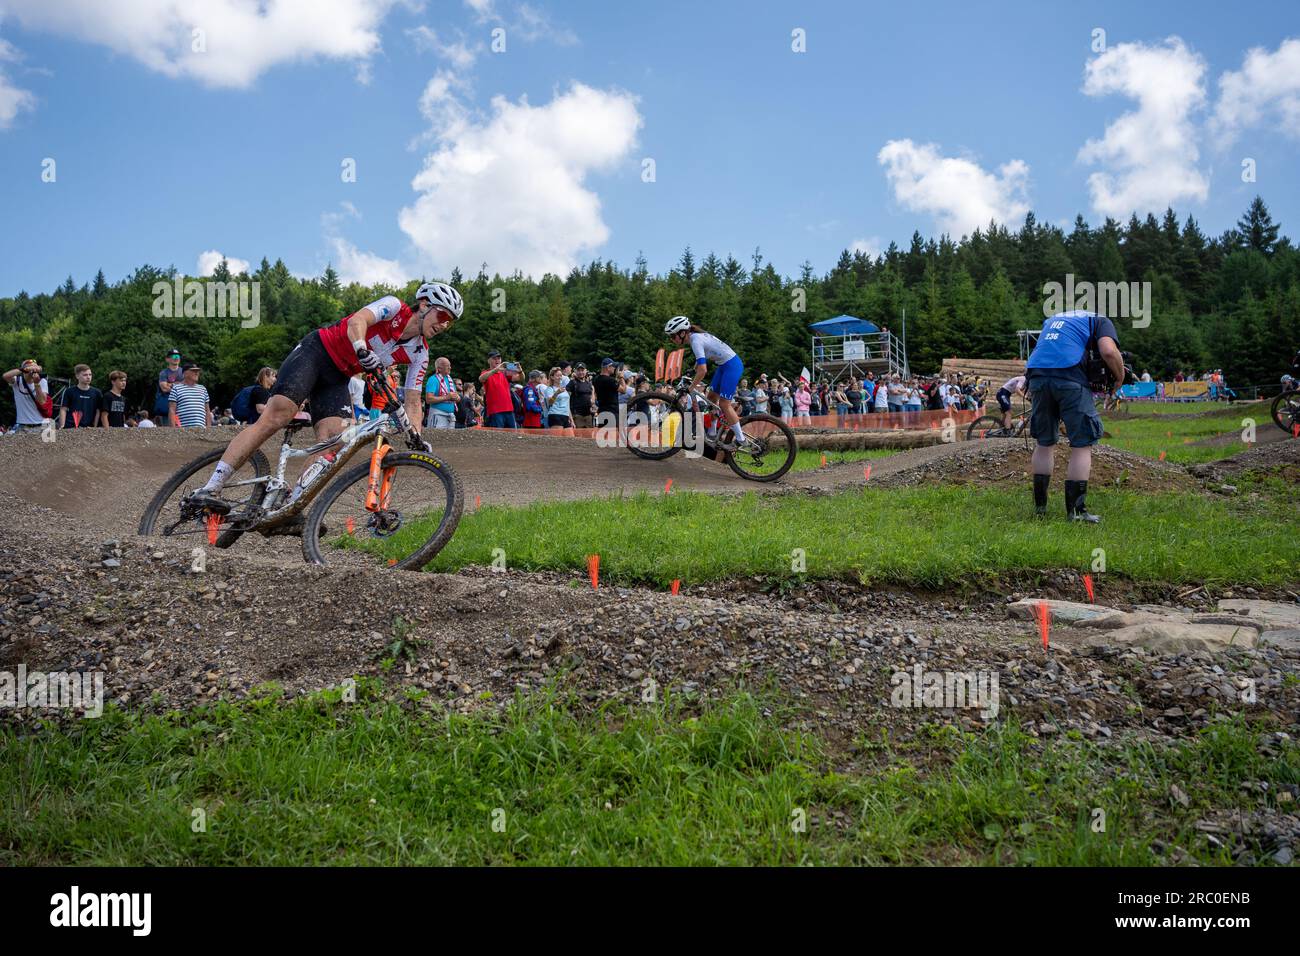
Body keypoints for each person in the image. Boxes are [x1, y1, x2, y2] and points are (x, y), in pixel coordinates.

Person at [186, 281, 462, 513]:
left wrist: (415, 435)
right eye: (443, 317)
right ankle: (212, 485)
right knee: (278, 415)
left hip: (337, 377)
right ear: (424, 305)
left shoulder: (419, 352)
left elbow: (414, 401)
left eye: (449, 323)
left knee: (334, 441)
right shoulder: (393, 307)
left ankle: (289, 506)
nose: (443, 326)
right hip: (316, 352)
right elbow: (358, 321)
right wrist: (360, 348)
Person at [1025, 310, 1124, 522]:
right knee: (1081, 444)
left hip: (1037, 376)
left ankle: (1040, 509)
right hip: (1070, 377)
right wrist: (1120, 375)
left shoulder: (1052, 320)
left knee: (1044, 443)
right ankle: (1077, 512)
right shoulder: (1099, 320)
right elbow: (1108, 351)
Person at [663, 315, 752, 450]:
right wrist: (692, 371)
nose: (671, 339)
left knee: (724, 404)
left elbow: (703, 370)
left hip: (732, 365)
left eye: (672, 336)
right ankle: (712, 434)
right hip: (724, 365)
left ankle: (741, 440)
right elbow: (701, 361)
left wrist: (691, 388)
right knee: (711, 397)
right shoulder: (695, 337)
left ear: (682, 333)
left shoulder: (695, 340)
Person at [3, 359, 50, 432]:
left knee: (49, 443)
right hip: (23, 425)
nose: (32, 371)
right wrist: (23, 369)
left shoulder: (42, 381)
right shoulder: (17, 381)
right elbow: (5, 376)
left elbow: (42, 401)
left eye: (34, 368)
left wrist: (37, 384)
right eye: (30, 368)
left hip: (43, 424)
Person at [479, 350, 521, 429]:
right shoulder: (486, 372)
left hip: (509, 410)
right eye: (494, 358)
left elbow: (520, 378)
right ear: (488, 360)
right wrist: (496, 369)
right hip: (495, 411)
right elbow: (481, 379)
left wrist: (520, 370)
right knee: (498, 436)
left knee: (513, 436)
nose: (497, 360)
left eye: (499, 358)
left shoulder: (505, 372)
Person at [58, 364, 102, 429]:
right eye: (85, 375)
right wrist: (62, 426)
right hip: (71, 427)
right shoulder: (69, 391)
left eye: (90, 374)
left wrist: (95, 427)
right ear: (77, 376)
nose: (88, 377)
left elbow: (98, 411)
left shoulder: (97, 393)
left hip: (89, 428)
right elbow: (63, 409)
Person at [169, 363, 212, 428]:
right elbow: (172, 410)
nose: (197, 373)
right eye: (193, 371)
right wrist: (174, 429)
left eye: (197, 371)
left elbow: (207, 411)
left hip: (202, 431)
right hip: (183, 431)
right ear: (185, 374)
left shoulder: (202, 389)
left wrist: (209, 428)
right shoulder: (176, 388)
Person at [424, 356, 459, 429]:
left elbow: (456, 396)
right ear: (439, 368)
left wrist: (457, 397)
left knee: (449, 439)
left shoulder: (450, 379)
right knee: (436, 439)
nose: (450, 367)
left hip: (451, 416)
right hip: (438, 414)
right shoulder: (433, 379)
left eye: (450, 365)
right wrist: (447, 397)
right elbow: (428, 399)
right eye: (447, 366)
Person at [154, 348, 184, 426]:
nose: (176, 358)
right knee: (168, 430)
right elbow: (164, 388)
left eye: (178, 356)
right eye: (174, 356)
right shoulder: (163, 373)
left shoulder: (184, 371)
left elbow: (187, 387)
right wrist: (178, 385)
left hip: (182, 407)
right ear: (167, 359)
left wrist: (170, 384)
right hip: (167, 407)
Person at [543, 367, 573, 433]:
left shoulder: (564, 389)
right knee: (557, 441)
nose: (560, 377)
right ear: (552, 377)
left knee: (571, 440)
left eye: (561, 375)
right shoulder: (549, 389)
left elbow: (567, 405)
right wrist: (556, 393)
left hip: (566, 416)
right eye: (557, 375)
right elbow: (550, 403)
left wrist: (571, 420)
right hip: (555, 415)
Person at [593, 358, 622, 422]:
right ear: (608, 367)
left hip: (602, 410)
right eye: (613, 367)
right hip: (612, 411)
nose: (614, 368)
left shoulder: (596, 379)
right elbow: (623, 390)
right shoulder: (610, 380)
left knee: (603, 431)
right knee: (613, 431)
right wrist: (621, 377)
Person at [567, 362, 595, 429]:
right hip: (577, 415)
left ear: (586, 371)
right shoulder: (572, 383)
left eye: (582, 370)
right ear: (575, 371)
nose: (580, 372)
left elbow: (592, 398)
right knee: (579, 438)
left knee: (589, 438)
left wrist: (593, 404)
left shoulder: (589, 383)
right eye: (578, 370)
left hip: (589, 415)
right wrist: (570, 417)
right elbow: (566, 400)